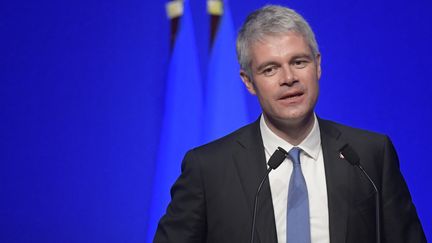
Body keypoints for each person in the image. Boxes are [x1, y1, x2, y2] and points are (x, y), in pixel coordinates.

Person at [153, 5, 426, 243]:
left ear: (317, 66)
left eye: (298, 62)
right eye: (269, 69)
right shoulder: (208, 168)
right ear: (248, 82)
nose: (288, 78)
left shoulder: (369, 156)